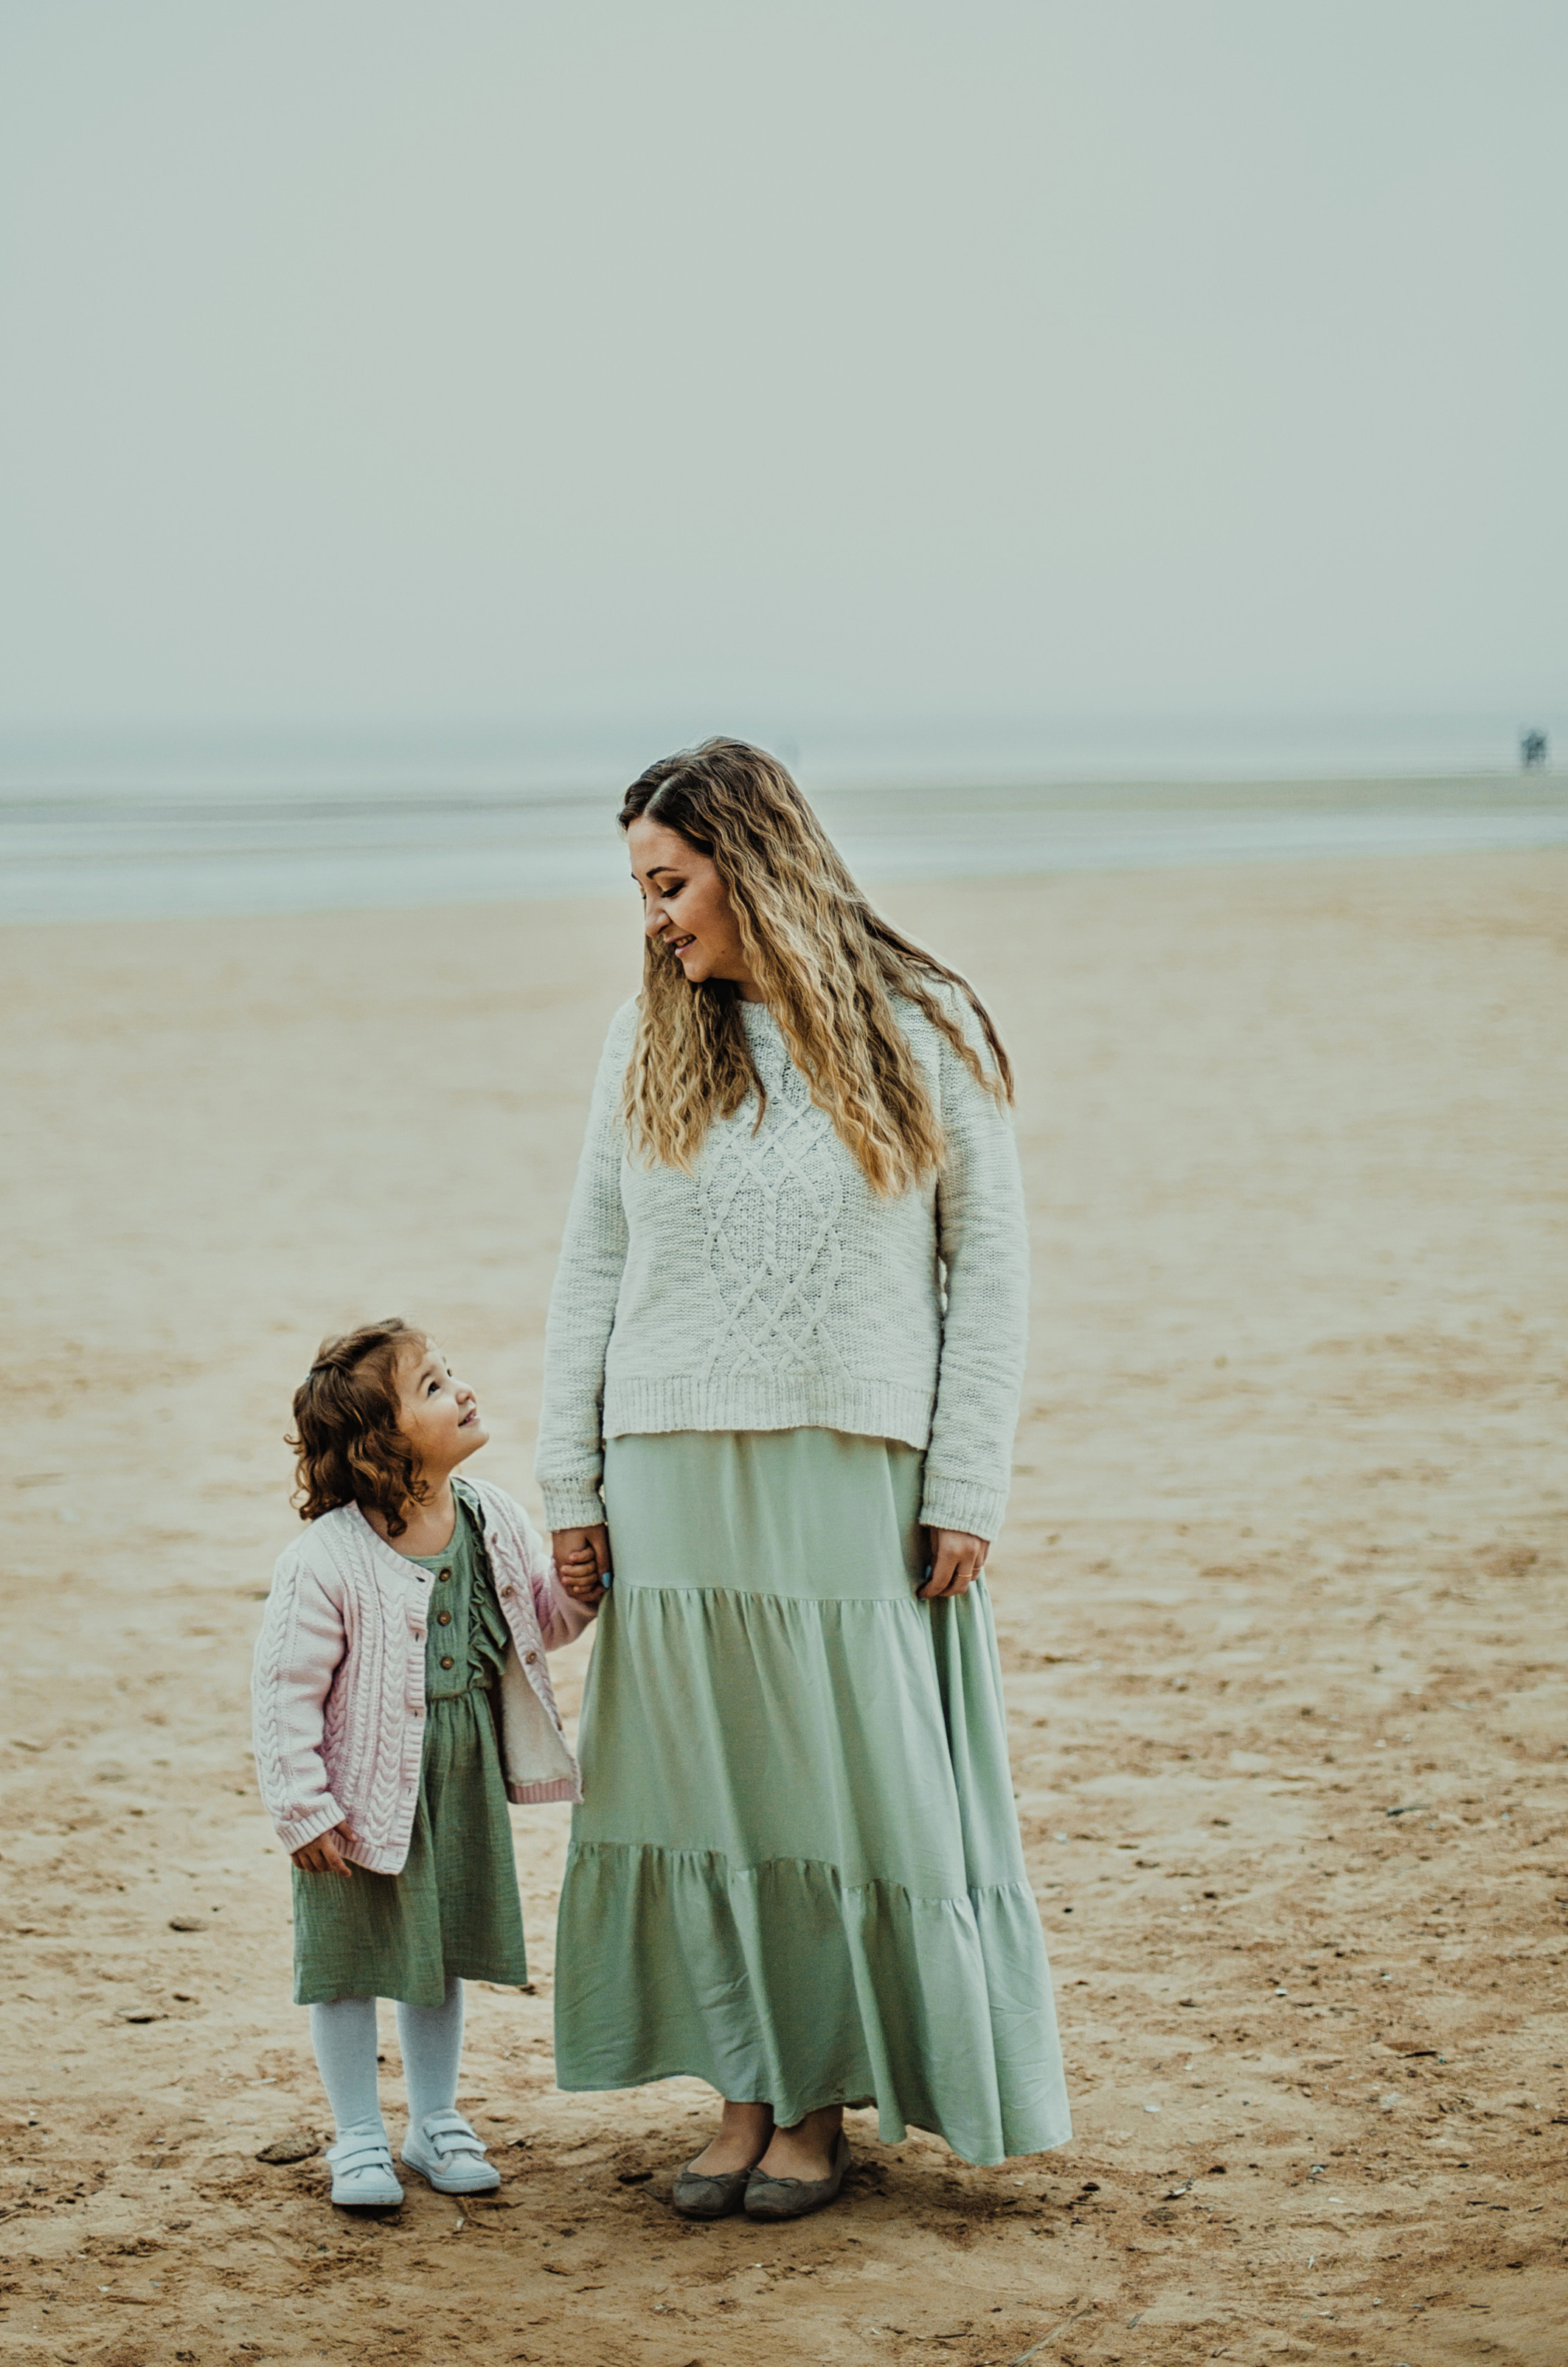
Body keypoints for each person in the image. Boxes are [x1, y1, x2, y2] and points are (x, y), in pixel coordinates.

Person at [540, 739, 1070, 2221]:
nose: (654, 919)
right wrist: (571, 1481)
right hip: (667, 1469)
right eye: (641, 891)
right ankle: (743, 2092)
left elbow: (990, 1269)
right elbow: (591, 1267)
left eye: (669, 884)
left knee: (834, 1796)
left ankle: (820, 2103)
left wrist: (967, 1480)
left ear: (751, 862)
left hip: (852, 1467)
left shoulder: (924, 1025)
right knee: (705, 1795)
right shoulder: (646, 1039)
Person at [251, 1319, 600, 2211]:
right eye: (435, 1388)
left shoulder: (492, 1516)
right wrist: (303, 1808)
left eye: (452, 1374)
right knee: (349, 1963)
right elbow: (285, 1695)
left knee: (437, 1955)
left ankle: (434, 2119)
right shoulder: (325, 1559)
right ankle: (358, 2134)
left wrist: (576, 1594)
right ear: (380, 1443)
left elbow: (532, 1627)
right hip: (359, 1792)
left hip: (459, 1775)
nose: (463, 1390)